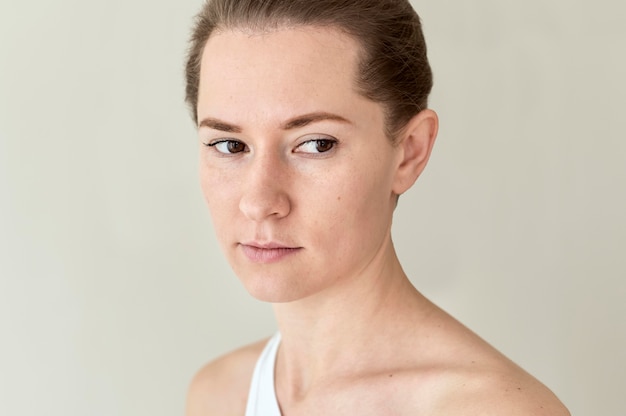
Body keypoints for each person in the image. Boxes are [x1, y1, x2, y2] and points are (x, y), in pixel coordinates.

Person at [183, 0, 570, 414]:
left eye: (316, 144)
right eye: (229, 145)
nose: (259, 202)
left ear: (409, 152)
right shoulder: (218, 396)